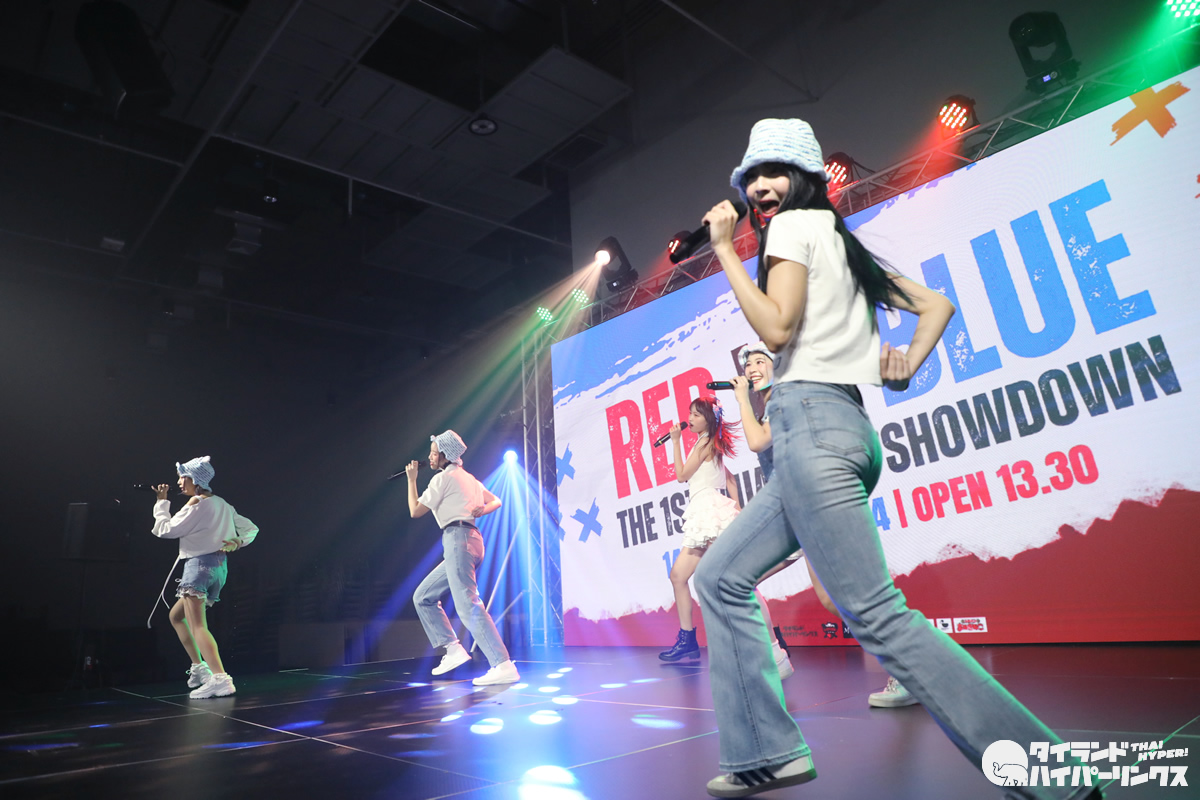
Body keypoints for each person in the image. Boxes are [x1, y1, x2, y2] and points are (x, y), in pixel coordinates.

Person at [692, 118, 1098, 800]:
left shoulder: (791, 229)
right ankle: (766, 752)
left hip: (811, 429)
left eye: (774, 172)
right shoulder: (840, 246)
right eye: (751, 176)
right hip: (836, 430)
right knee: (720, 577)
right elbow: (935, 305)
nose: (760, 186)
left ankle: (1049, 775)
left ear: (804, 180)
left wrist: (724, 252)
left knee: (875, 612)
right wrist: (904, 361)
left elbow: (776, 328)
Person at [733, 341, 916, 709]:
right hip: (792, 513)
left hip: (813, 507)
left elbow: (757, 442)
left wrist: (740, 400)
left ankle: (907, 670)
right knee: (736, 577)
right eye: (747, 365)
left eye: (759, 361)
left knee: (842, 599)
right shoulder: (767, 405)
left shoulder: (783, 398)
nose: (751, 369)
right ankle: (775, 656)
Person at [659, 397, 791, 678]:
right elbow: (728, 478)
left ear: (708, 419)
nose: (690, 419)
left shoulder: (705, 442)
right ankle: (688, 638)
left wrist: (675, 442)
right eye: (690, 414)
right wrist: (737, 506)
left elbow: (681, 475)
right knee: (679, 576)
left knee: (735, 579)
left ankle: (773, 646)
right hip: (704, 513)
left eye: (696, 414)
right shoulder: (707, 443)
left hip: (709, 512)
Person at [408, 430, 520, 686]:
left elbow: (415, 510)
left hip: (458, 540)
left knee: (468, 605)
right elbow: (496, 501)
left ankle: (502, 664)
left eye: (434, 453)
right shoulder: (469, 478)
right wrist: (482, 509)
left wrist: (412, 480)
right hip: (471, 540)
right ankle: (453, 649)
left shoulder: (442, 478)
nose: (430, 457)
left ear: (446, 456)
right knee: (423, 596)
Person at [152, 456, 257, 699]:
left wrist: (161, 503)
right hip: (218, 568)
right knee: (176, 616)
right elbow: (252, 528)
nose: (179, 482)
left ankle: (220, 678)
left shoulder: (197, 503)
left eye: (183, 477)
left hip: (198, 567)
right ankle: (200, 668)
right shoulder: (222, 504)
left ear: (196, 480)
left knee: (198, 626)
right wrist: (238, 541)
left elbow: (165, 530)